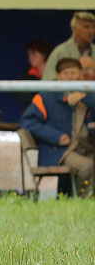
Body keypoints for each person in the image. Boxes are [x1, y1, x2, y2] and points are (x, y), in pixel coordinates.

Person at [20, 58, 95, 197]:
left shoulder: (88, 95)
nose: (70, 77)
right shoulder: (46, 96)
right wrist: (56, 136)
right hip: (59, 152)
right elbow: (27, 122)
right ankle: (79, 201)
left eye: (74, 73)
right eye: (66, 73)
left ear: (81, 76)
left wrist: (84, 98)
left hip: (85, 148)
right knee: (87, 166)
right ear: (58, 76)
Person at [42, 12, 95, 80]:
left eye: (93, 27)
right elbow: (48, 81)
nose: (91, 31)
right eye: (86, 27)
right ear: (74, 29)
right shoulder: (60, 52)